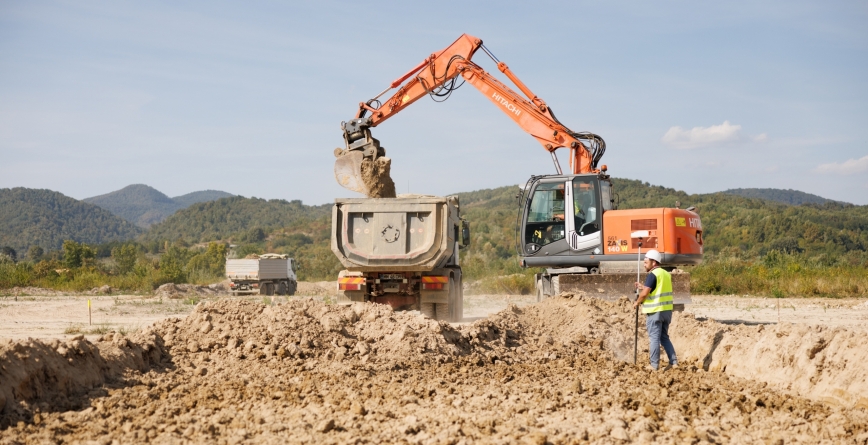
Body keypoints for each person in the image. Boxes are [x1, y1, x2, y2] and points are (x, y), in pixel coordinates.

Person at [633, 249, 677, 371]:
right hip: (666, 311)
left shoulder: (653, 274)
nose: (644, 265)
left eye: (646, 262)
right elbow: (657, 289)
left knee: (654, 338)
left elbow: (644, 294)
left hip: (655, 311)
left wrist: (637, 302)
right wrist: (643, 286)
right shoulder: (665, 274)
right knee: (664, 337)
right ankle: (674, 362)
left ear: (654, 262)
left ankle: (654, 365)